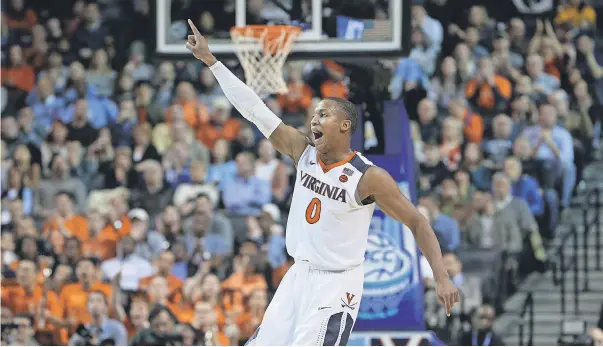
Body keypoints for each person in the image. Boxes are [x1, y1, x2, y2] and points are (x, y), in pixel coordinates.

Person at [185, 20, 459, 345]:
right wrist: (213, 62)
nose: (314, 119)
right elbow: (254, 110)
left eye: (323, 114)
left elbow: (416, 222)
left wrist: (441, 277)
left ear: (345, 126)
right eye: (314, 114)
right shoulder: (302, 152)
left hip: (336, 284)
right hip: (297, 275)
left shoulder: (367, 176)